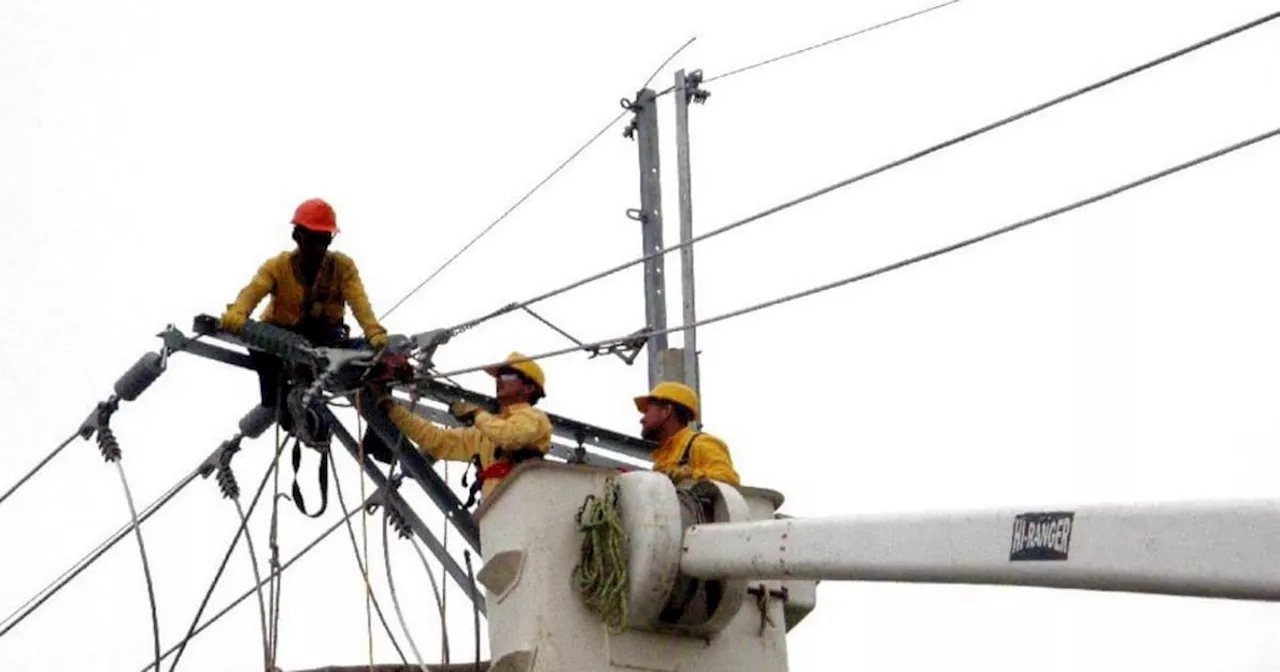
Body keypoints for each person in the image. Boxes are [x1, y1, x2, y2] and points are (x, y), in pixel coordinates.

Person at [219, 198, 389, 439]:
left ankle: (379, 440)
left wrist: (374, 333)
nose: (319, 248)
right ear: (297, 236)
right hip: (280, 337)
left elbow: (359, 301)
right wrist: (236, 315)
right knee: (266, 367)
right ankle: (288, 413)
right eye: (313, 239)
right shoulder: (277, 267)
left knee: (376, 362)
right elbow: (253, 292)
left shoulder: (341, 267)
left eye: (324, 240)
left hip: (325, 339)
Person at [375, 352, 552, 505]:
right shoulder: (485, 431)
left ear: (529, 387)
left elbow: (510, 436)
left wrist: (476, 414)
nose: (499, 381)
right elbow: (437, 440)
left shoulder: (535, 418)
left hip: (524, 506)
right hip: (494, 515)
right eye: (498, 377)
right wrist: (391, 409)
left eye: (506, 376)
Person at [634, 381, 739, 486]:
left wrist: (689, 475)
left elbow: (728, 479)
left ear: (666, 411)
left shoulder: (699, 443)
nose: (642, 419)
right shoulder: (662, 457)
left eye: (647, 411)